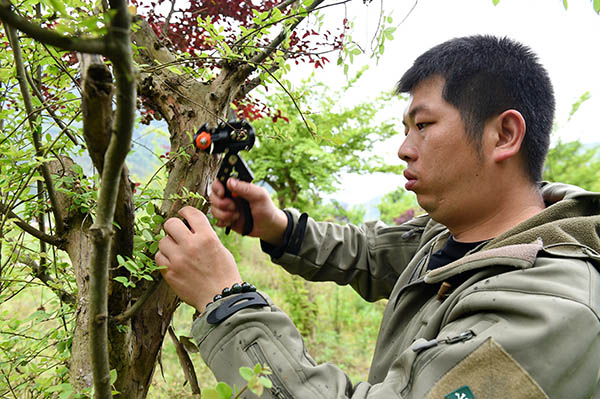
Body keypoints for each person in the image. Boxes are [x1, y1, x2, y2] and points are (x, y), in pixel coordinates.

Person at [155, 35, 600, 398]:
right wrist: (278, 226)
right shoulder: (461, 234)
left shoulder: (548, 312)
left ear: (504, 134)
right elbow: (371, 251)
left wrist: (226, 301)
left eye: (423, 125)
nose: (404, 148)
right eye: (405, 129)